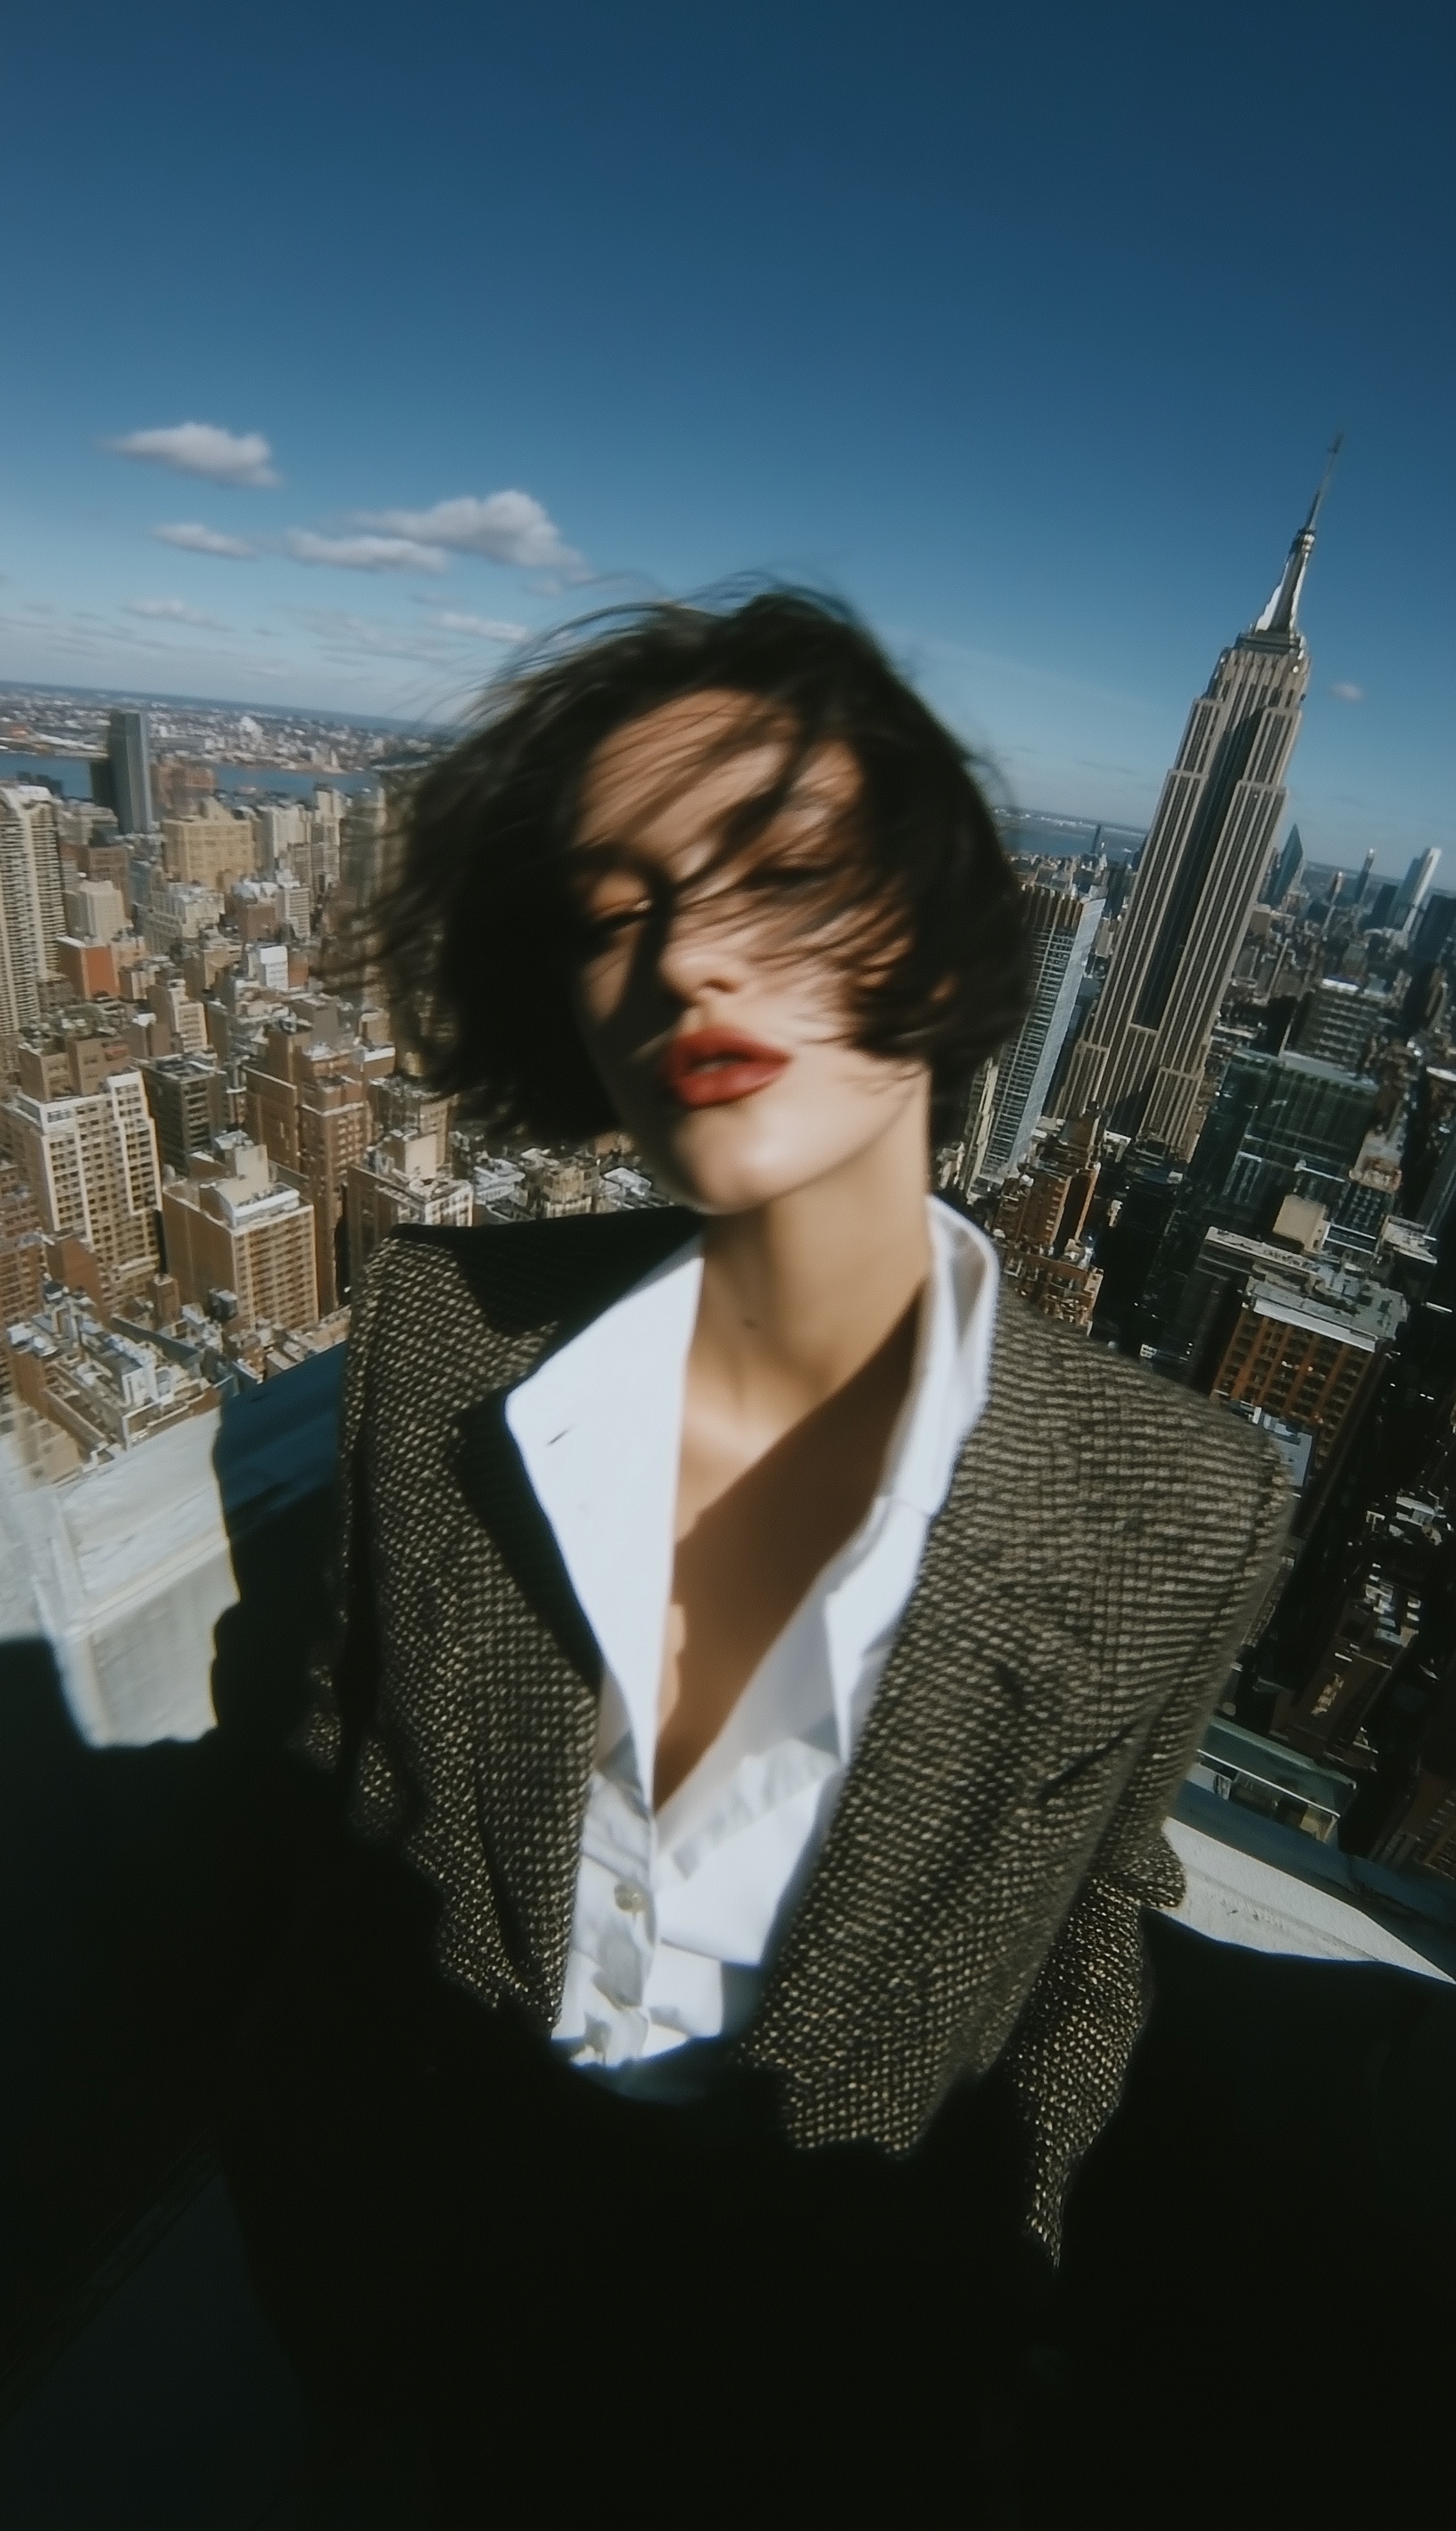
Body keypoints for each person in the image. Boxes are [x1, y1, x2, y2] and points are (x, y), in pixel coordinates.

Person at [222, 590, 1290, 2524]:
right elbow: (340, 1779)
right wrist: (328, 2269)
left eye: (780, 874)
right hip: (422, 2337)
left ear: (942, 938)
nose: (684, 957)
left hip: (839, 2393)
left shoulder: (1183, 1500)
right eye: (612, 912)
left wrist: (1001, 2293)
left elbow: (1087, 1931)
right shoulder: (442, 1333)